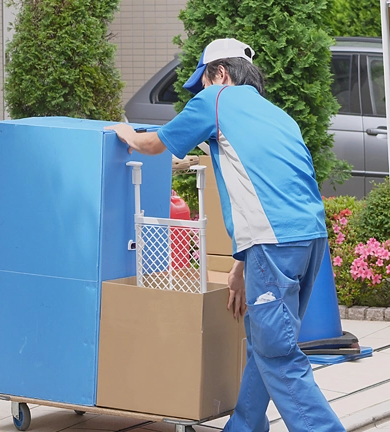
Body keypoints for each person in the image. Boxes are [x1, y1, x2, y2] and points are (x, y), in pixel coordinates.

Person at [105, 38, 344, 432]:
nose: (200, 90)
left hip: (274, 244)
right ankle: (244, 426)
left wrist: (125, 133)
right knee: (263, 343)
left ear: (221, 73)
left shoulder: (216, 98)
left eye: (203, 80)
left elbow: (155, 144)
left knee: (277, 354)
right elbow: (270, 188)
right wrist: (240, 263)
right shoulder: (276, 114)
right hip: (309, 239)